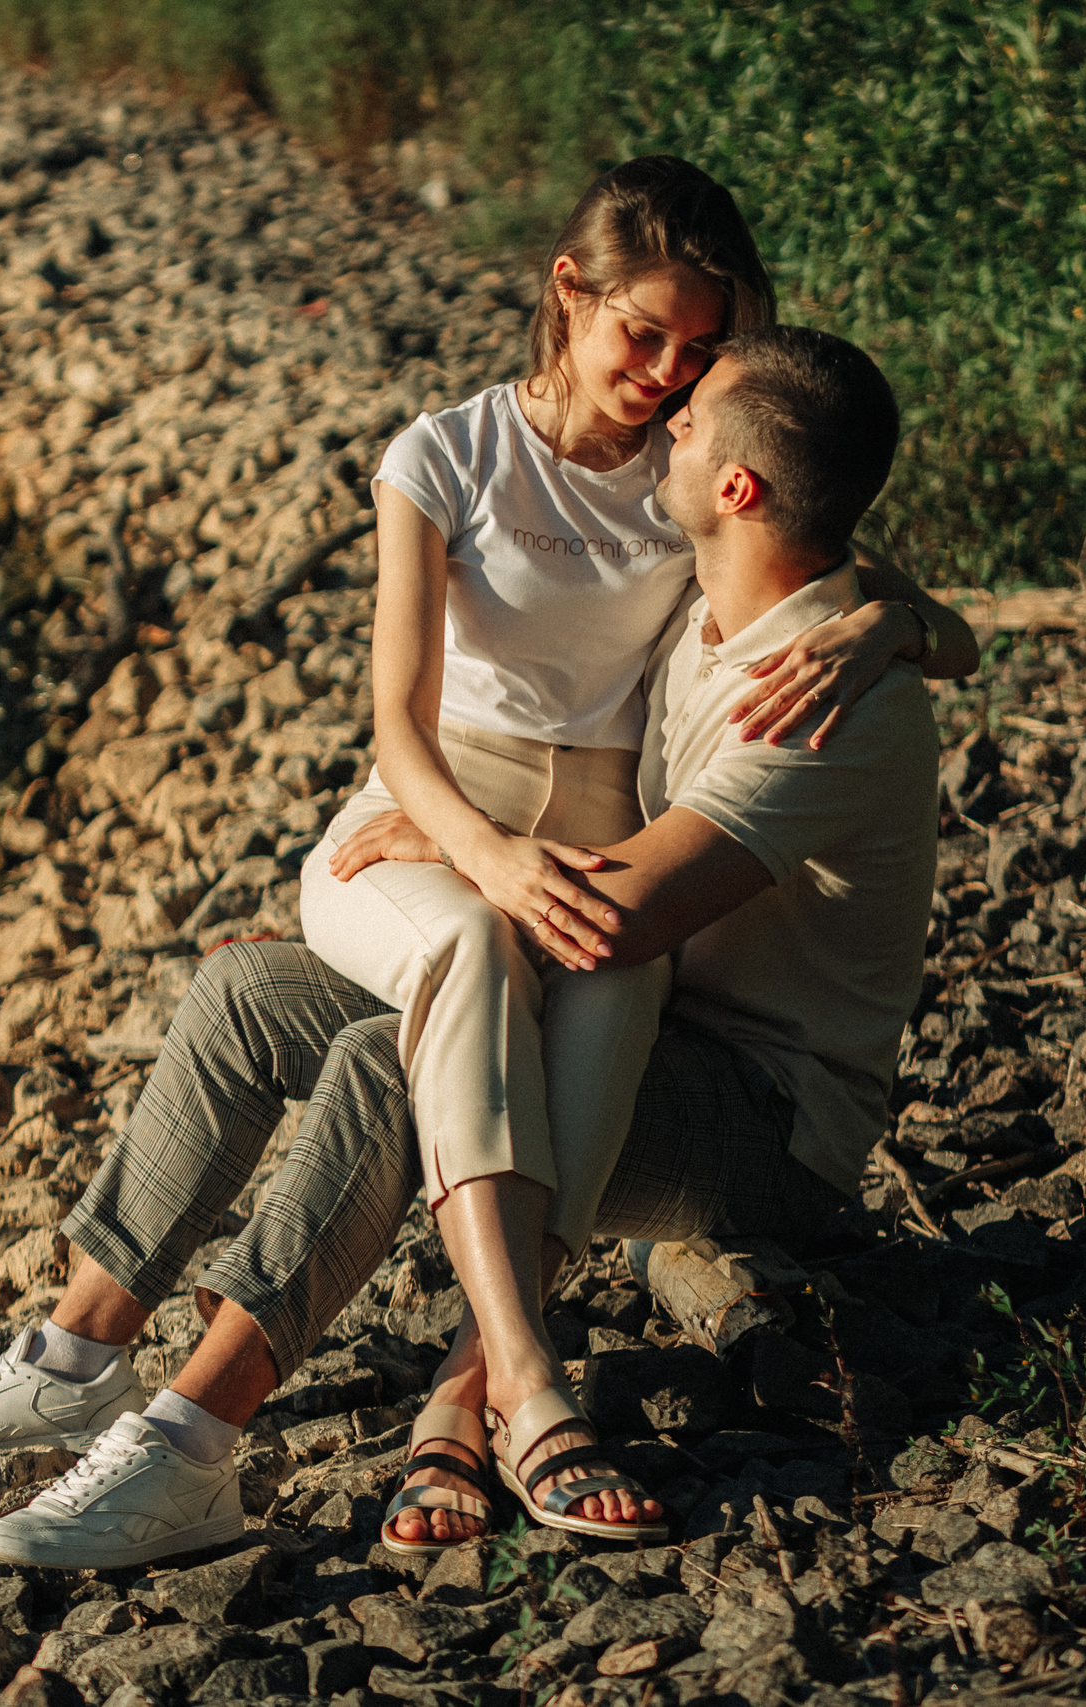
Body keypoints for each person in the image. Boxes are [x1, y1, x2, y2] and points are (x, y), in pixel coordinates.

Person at [0, 323, 941, 1570]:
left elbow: (616, 917)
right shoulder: (725, 609)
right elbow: (879, 589)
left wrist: (449, 835)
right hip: (628, 1027)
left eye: (691, 420)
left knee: (394, 1057)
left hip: (763, 1114)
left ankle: (191, 1449)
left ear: (739, 490)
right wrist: (909, 620)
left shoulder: (823, 695)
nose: (666, 424)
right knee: (249, 992)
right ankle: (72, 1353)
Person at [297, 156, 967, 1546]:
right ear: (571, 293)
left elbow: (828, 549)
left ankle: (442, 1405)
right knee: (400, 996)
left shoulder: (794, 652)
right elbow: (402, 719)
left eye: (699, 362)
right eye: (646, 337)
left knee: (422, 1038)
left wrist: (899, 625)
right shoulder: (584, 529)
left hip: (749, 1078)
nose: (665, 386)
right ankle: (135, 1374)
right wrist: (452, 843)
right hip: (605, 942)